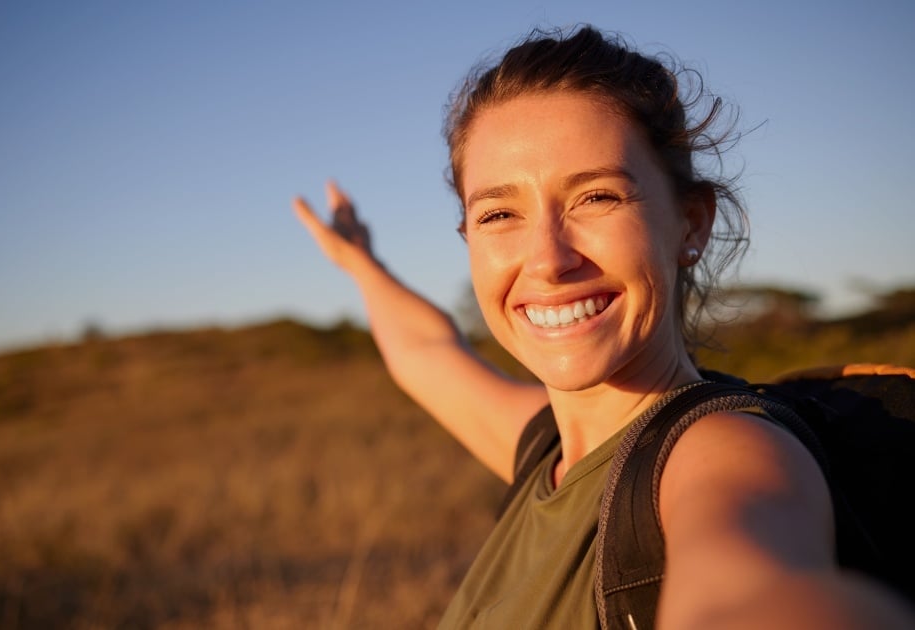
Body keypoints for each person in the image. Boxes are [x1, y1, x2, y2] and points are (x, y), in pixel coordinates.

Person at [292, 25, 915, 629]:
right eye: (500, 212)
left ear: (691, 224)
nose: (548, 259)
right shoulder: (548, 449)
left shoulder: (722, 452)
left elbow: (750, 591)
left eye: (597, 198)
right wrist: (361, 265)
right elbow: (426, 353)